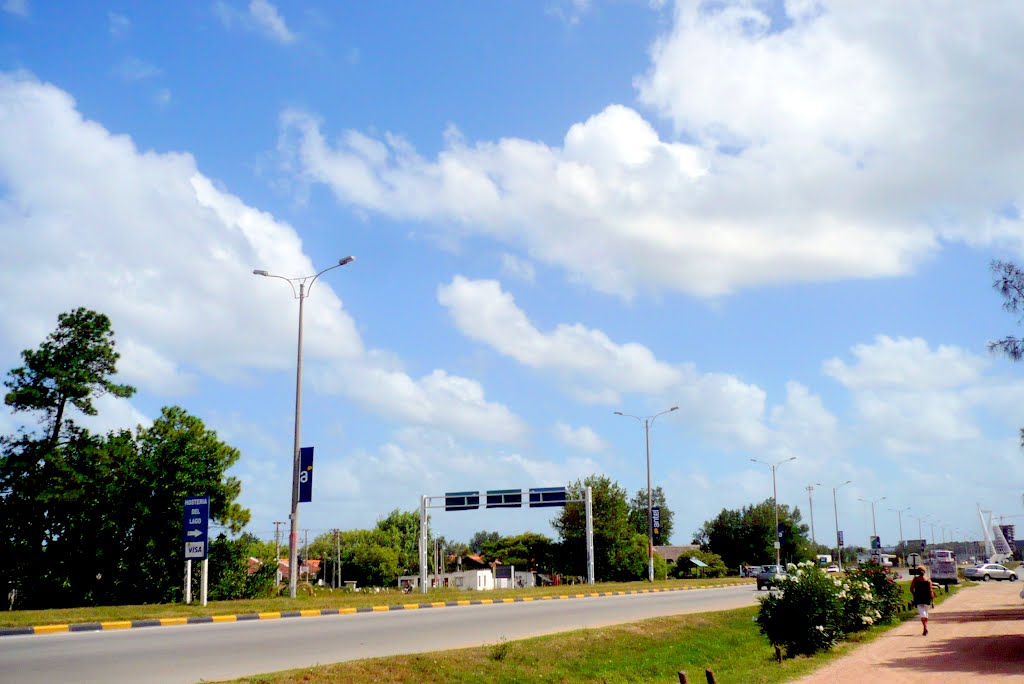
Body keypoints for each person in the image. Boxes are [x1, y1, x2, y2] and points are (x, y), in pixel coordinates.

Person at [910, 566, 935, 636]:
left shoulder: (916, 579)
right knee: (926, 613)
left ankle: (925, 627)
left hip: (918, 598)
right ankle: (925, 626)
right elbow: (931, 591)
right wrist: (932, 601)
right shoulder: (928, 580)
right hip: (927, 599)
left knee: (922, 613)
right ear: (924, 572)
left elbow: (911, 589)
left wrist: (914, 595)